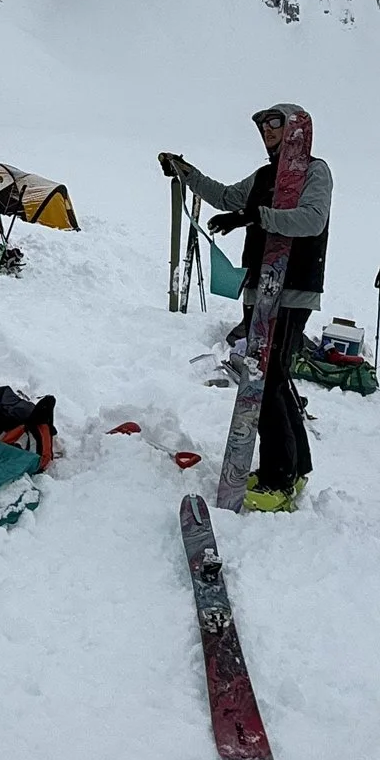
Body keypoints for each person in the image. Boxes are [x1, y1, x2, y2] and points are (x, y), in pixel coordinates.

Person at [159, 104, 331, 512]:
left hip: (291, 289)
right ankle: (296, 466)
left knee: (265, 380)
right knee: (272, 377)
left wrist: (256, 217)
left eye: (275, 123)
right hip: (262, 289)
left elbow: (312, 220)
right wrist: (186, 172)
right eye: (262, 126)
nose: (267, 131)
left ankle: (278, 478)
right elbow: (225, 196)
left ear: (296, 129)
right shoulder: (264, 176)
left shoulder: (315, 171)